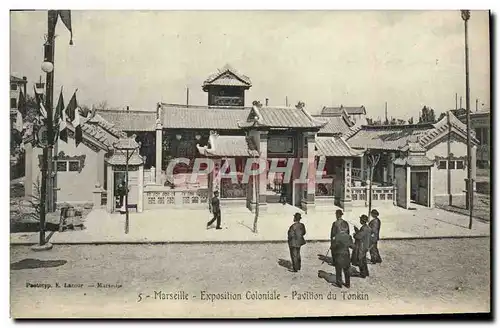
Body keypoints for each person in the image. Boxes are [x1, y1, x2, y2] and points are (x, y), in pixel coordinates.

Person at [332, 221, 354, 288]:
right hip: (346, 256)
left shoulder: (337, 236)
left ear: (340, 228)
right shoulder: (349, 236)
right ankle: (348, 284)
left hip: (338, 256)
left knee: (338, 271)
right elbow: (352, 246)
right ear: (346, 228)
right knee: (347, 271)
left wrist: (333, 242)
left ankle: (339, 284)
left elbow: (333, 247)